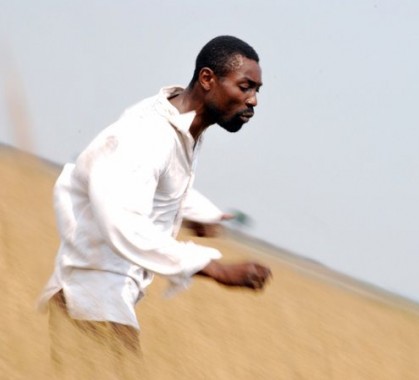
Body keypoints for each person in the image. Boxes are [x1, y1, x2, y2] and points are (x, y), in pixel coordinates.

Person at [37, 35, 271, 378]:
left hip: (104, 299)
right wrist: (213, 268)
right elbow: (122, 223)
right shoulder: (147, 133)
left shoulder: (181, 127)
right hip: (91, 295)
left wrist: (200, 214)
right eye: (245, 86)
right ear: (207, 79)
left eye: (257, 90)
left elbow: (160, 182)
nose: (253, 101)